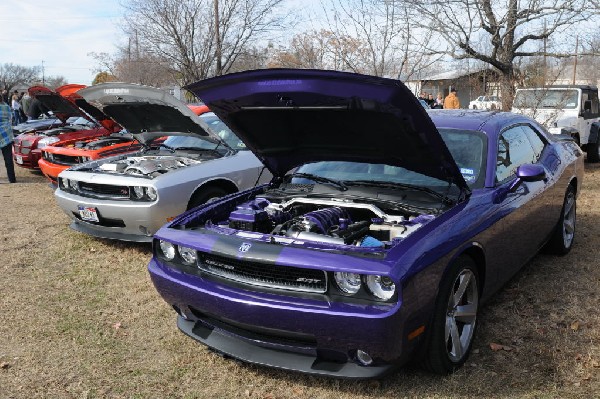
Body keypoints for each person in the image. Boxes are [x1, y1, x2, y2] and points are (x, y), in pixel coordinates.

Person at [0, 96, 17, 183]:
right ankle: (12, 179)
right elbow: (11, 117)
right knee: (8, 158)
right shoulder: (6, 106)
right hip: (6, 133)